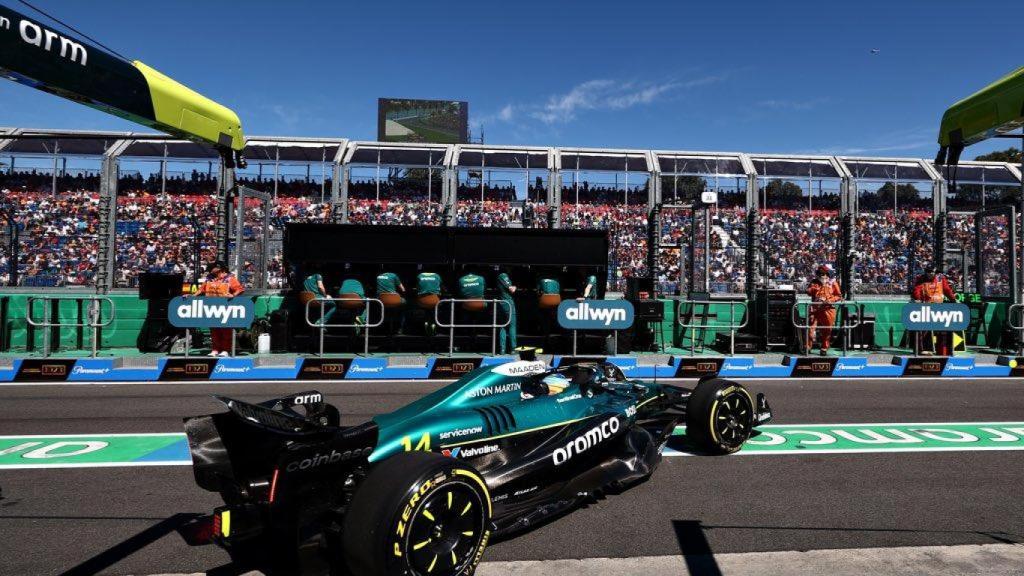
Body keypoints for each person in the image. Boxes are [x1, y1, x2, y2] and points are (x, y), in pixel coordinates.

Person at [198, 260, 244, 357]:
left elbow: (240, 289)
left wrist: (233, 295)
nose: (210, 270)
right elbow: (201, 290)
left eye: (212, 268)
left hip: (225, 309)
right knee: (214, 330)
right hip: (211, 309)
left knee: (226, 330)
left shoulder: (230, 279)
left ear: (219, 269)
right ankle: (215, 349)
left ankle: (226, 350)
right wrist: (191, 296)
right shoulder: (209, 279)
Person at [912, 266, 957, 355]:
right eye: (928, 272)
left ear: (935, 272)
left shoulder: (941, 278)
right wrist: (918, 299)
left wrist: (953, 299)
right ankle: (923, 349)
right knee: (923, 327)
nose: (931, 274)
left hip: (939, 307)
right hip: (926, 307)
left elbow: (947, 290)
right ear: (926, 273)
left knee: (946, 326)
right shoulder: (921, 279)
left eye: (932, 272)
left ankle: (945, 350)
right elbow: (916, 291)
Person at [805, 265, 841, 356]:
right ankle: (808, 347)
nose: (822, 275)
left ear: (828, 274)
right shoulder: (814, 282)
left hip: (828, 309)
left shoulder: (833, 283)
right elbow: (808, 292)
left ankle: (824, 348)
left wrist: (830, 300)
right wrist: (813, 289)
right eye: (820, 273)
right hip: (815, 309)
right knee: (810, 329)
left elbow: (839, 296)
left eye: (824, 273)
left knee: (827, 330)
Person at [497, 271, 517, 354]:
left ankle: (502, 349)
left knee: (503, 326)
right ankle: (513, 349)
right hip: (507, 302)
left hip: (501, 302)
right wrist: (515, 287)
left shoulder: (501, 276)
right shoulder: (503, 275)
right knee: (512, 326)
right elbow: (512, 289)